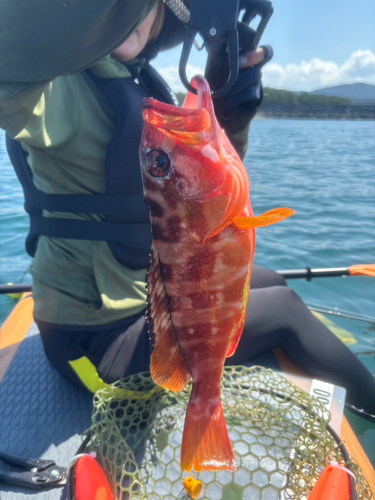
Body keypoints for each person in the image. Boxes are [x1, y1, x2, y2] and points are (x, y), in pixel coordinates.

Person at [1, 0, 374, 414]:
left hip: (139, 292)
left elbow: (202, 194)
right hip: (92, 339)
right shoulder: (49, 88)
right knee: (285, 312)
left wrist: (231, 114)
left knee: (268, 283)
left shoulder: (137, 80)